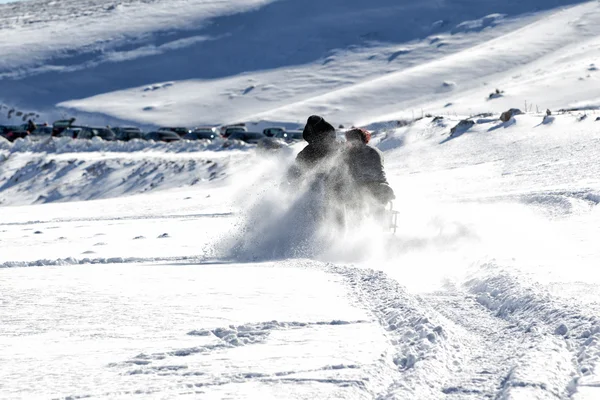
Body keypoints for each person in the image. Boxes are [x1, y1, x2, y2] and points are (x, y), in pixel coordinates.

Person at [343, 127, 395, 206]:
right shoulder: (376, 151)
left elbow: (346, 172)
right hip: (380, 185)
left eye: (349, 140)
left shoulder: (351, 154)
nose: (348, 142)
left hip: (362, 189)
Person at [287, 115, 339, 182]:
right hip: (314, 146)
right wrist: (314, 143)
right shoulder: (308, 128)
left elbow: (332, 137)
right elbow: (306, 136)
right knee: (300, 159)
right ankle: (293, 181)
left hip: (327, 146)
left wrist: (325, 143)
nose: (314, 125)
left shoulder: (328, 128)